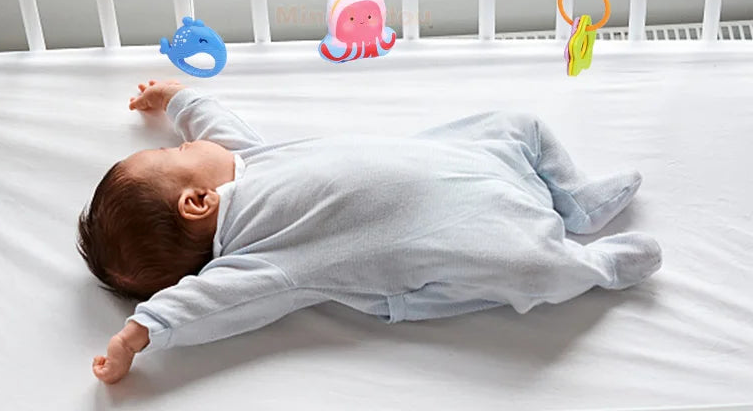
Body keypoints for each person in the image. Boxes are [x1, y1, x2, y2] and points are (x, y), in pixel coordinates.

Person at [79, 80, 662, 384]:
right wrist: (139, 333)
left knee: (518, 122)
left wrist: (178, 99)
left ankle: (576, 201)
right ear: (197, 202)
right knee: (531, 268)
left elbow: (216, 124)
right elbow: (209, 302)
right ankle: (598, 266)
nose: (188, 144)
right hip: (450, 232)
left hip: (454, 157)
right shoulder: (260, 261)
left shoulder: (248, 160)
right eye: (176, 152)